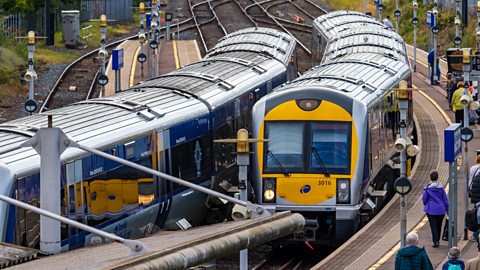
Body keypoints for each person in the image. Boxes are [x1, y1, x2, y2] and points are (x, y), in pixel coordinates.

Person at [422, 170, 449, 247]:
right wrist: (447, 209)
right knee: (439, 225)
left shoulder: (427, 188)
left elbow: (424, 199)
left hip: (431, 210)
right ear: (437, 177)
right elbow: (445, 199)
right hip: (441, 210)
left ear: (430, 177)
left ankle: (435, 241)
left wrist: (427, 205)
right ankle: (438, 239)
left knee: (433, 225)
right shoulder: (441, 188)